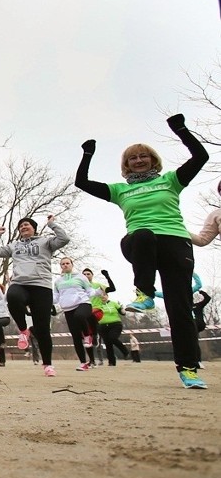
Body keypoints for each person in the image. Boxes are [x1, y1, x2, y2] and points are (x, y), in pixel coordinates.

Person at [74, 113, 209, 389]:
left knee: (180, 311)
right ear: (126, 165)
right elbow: (82, 183)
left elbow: (200, 156)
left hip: (175, 244)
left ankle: (189, 369)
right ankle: (145, 292)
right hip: (139, 245)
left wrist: (180, 129)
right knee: (143, 233)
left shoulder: (172, 180)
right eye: (133, 158)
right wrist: (87, 154)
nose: (138, 160)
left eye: (143, 156)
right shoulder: (119, 190)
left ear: (153, 160)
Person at [0, 215, 69, 377]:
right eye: (20, 226)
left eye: (26, 225)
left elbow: (64, 239)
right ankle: (24, 330)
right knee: (12, 297)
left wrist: (52, 224)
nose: (23, 227)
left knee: (42, 329)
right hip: (21, 283)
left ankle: (47, 364)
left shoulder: (46, 242)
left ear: (34, 228)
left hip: (41, 286)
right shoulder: (14, 246)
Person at [53, 257, 98, 372]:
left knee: (80, 316)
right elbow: (56, 298)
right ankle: (83, 363)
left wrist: (99, 292)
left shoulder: (81, 277)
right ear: (61, 266)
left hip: (83, 304)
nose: (65, 265)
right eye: (62, 264)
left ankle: (88, 336)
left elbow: (90, 291)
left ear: (72, 265)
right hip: (68, 309)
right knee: (76, 337)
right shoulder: (58, 281)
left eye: (67, 263)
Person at [96, 292, 131, 366]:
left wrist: (123, 310)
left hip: (115, 324)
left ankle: (125, 352)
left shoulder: (114, 303)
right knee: (108, 343)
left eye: (104, 295)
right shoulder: (97, 305)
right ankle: (111, 362)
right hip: (102, 326)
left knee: (112, 338)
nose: (103, 297)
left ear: (107, 296)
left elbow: (122, 312)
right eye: (101, 295)